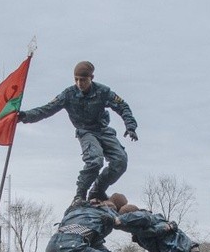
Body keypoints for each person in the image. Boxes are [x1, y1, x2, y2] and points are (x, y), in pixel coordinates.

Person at [18, 60, 138, 203]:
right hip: (86, 132)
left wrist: (130, 126)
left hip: (103, 130)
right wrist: (25, 116)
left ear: (91, 78)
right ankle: (80, 195)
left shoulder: (103, 91)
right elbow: (47, 109)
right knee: (95, 160)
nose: (79, 83)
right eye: (76, 80)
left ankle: (97, 190)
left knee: (121, 161)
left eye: (83, 80)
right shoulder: (68, 94)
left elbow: (122, 106)